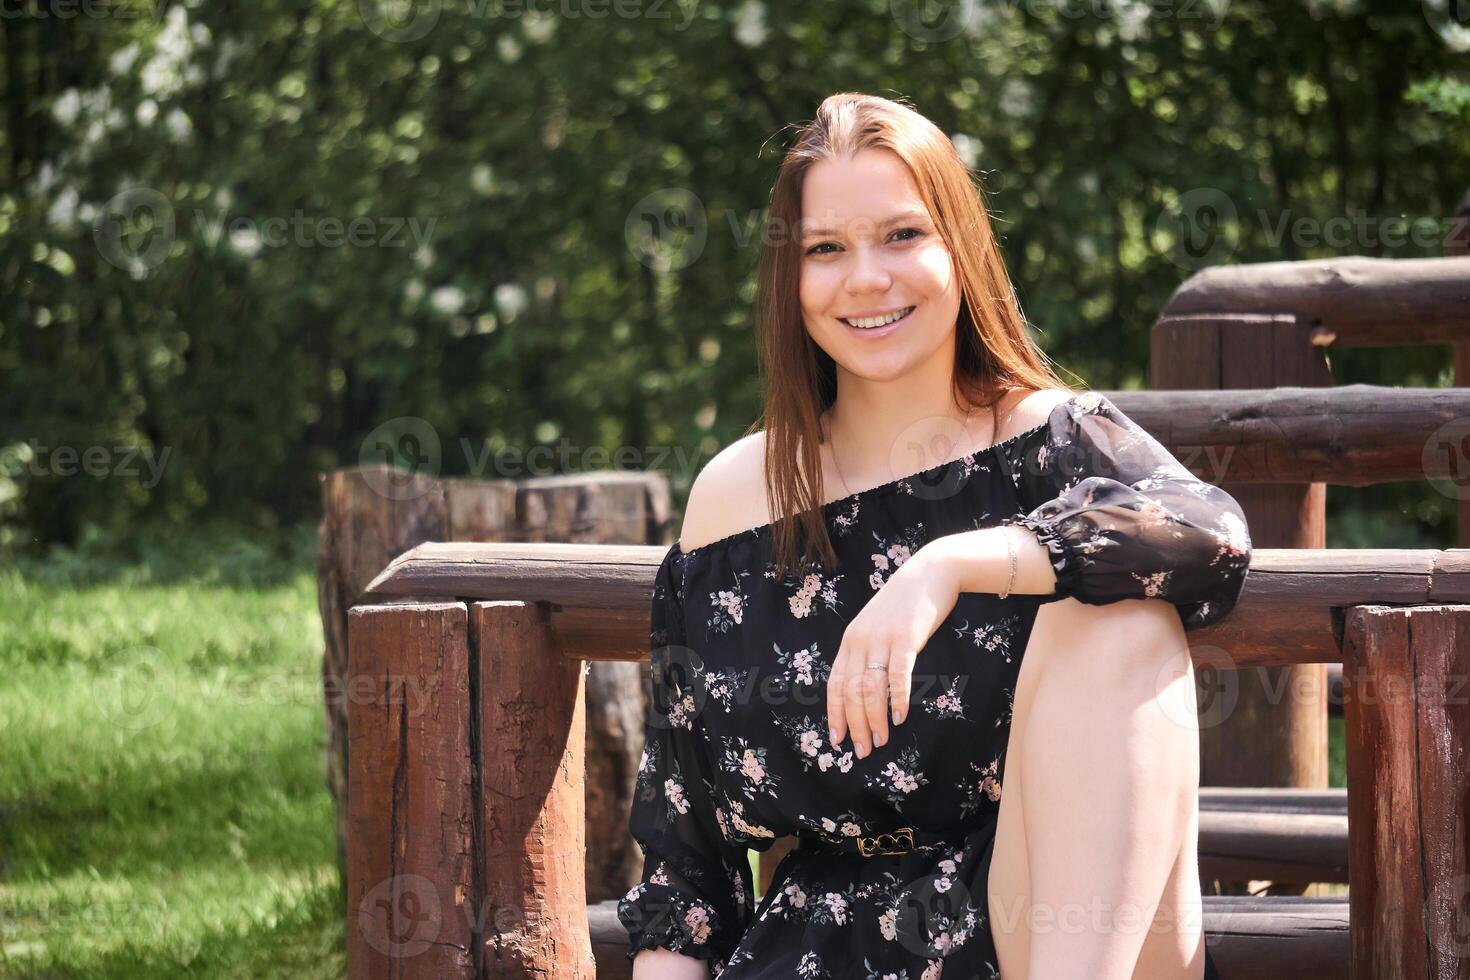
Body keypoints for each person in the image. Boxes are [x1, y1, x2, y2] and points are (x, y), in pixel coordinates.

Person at [617, 92, 1249, 980]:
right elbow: (690, 871)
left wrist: (949, 566)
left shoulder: (1052, 442)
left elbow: (1212, 534)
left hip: (1049, 932)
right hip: (815, 953)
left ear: (961, 248)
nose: (866, 278)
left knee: (1119, 619)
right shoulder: (736, 497)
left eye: (903, 235)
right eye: (826, 249)